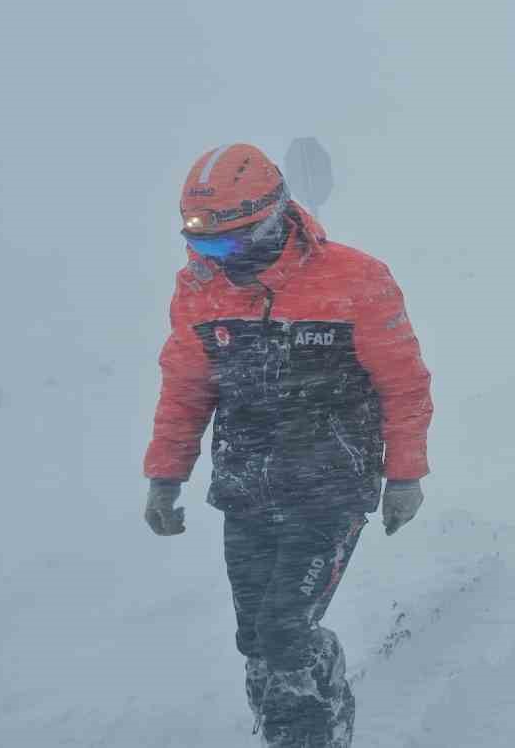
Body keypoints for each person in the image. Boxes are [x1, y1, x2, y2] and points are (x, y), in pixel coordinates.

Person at [143, 143, 433, 748]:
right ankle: (281, 726)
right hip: (245, 485)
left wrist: (405, 476)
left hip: (332, 486)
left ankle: (318, 730)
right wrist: (165, 477)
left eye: (229, 244)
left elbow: (403, 384)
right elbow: (186, 388)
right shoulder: (201, 289)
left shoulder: (357, 279)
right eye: (203, 246)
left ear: (274, 217)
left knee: (284, 629)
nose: (218, 260)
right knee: (255, 636)